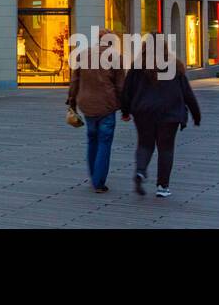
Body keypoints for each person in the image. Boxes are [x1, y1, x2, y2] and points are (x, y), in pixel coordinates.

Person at [121, 57, 201, 198]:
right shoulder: (175, 66)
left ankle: (140, 171)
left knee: (145, 144)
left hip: (144, 112)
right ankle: (162, 186)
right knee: (166, 148)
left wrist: (125, 111)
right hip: (170, 113)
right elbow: (187, 93)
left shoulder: (137, 67)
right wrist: (196, 114)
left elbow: (127, 90)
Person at [65, 30, 124, 193]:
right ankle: (99, 182)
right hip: (107, 105)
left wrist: (72, 101)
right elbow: (120, 86)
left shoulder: (82, 54)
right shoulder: (115, 57)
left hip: (87, 105)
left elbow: (75, 80)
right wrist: (125, 108)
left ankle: (93, 176)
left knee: (92, 139)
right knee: (104, 141)